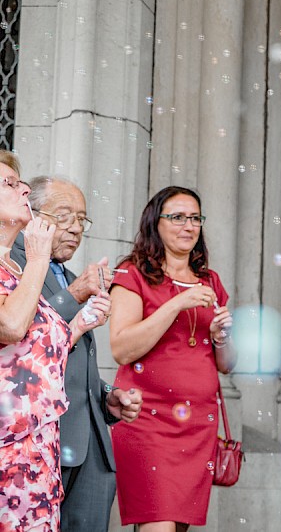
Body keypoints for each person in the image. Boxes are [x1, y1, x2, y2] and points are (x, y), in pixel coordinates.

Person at [10, 176, 142, 531]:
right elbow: (20, 338)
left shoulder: (64, 272)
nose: (75, 228)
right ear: (32, 214)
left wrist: (106, 398)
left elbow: (68, 361)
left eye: (82, 219)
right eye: (64, 215)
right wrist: (75, 292)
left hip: (92, 444)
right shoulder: (13, 264)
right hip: (40, 442)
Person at [108, 186, 236, 532]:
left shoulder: (210, 281)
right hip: (148, 420)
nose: (188, 225)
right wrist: (177, 302)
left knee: (176, 527)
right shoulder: (131, 273)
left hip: (196, 426)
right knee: (158, 525)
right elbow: (122, 348)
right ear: (155, 223)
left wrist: (222, 337)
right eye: (177, 217)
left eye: (195, 218)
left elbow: (226, 364)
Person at [0, 151, 111, 531]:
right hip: (10, 442)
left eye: (83, 219)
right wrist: (40, 262)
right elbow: (11, 325)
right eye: (11, 184)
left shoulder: (23, 267)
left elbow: (41, 350)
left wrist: (81, 324)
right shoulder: (28, 262)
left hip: (43, 444)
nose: (24, 189)